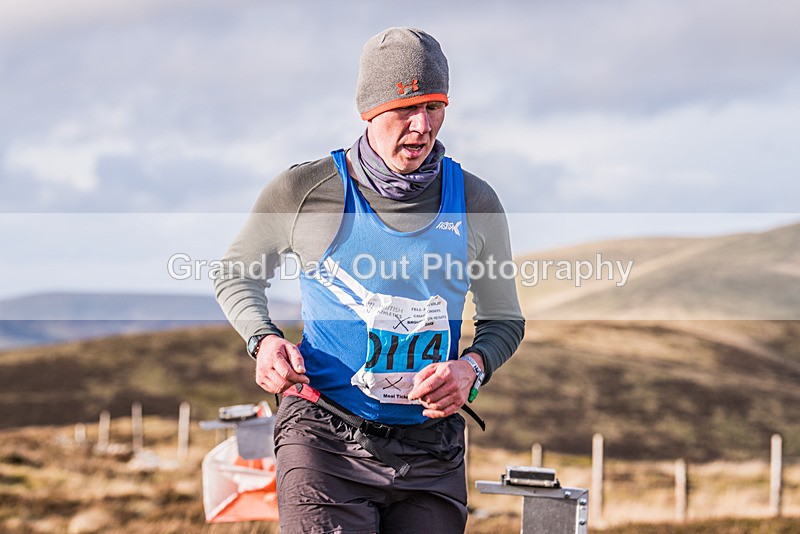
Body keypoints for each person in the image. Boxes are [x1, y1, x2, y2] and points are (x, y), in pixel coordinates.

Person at [214, 27, 525, 533]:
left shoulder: (475, 201)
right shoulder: (306, 190)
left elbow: (504, 321)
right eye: (407, 108)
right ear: (369, 110)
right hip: (324, 435)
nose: (422, 126)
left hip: (431, 447)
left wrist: (472, 368)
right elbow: (236, 274)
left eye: (436, 106)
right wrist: (263, 340)